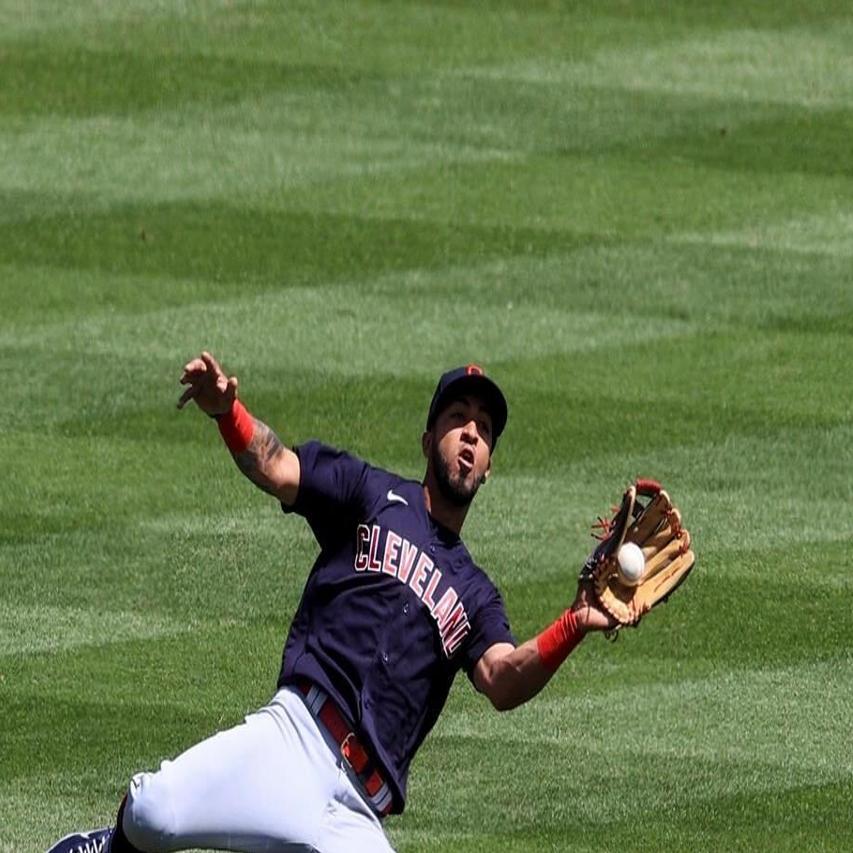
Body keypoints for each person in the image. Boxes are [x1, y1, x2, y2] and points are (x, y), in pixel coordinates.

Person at [47, 352, 616, 853]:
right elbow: (275, 466)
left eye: (484, 429)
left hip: (356, 813)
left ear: (489, 466)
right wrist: (228, 413)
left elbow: (502, 678)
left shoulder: (476, 594)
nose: (470, 434)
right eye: (456, 419)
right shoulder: (370, 493)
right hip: (294, 740)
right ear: (427, 440)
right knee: (152, 812)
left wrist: (576, 621)